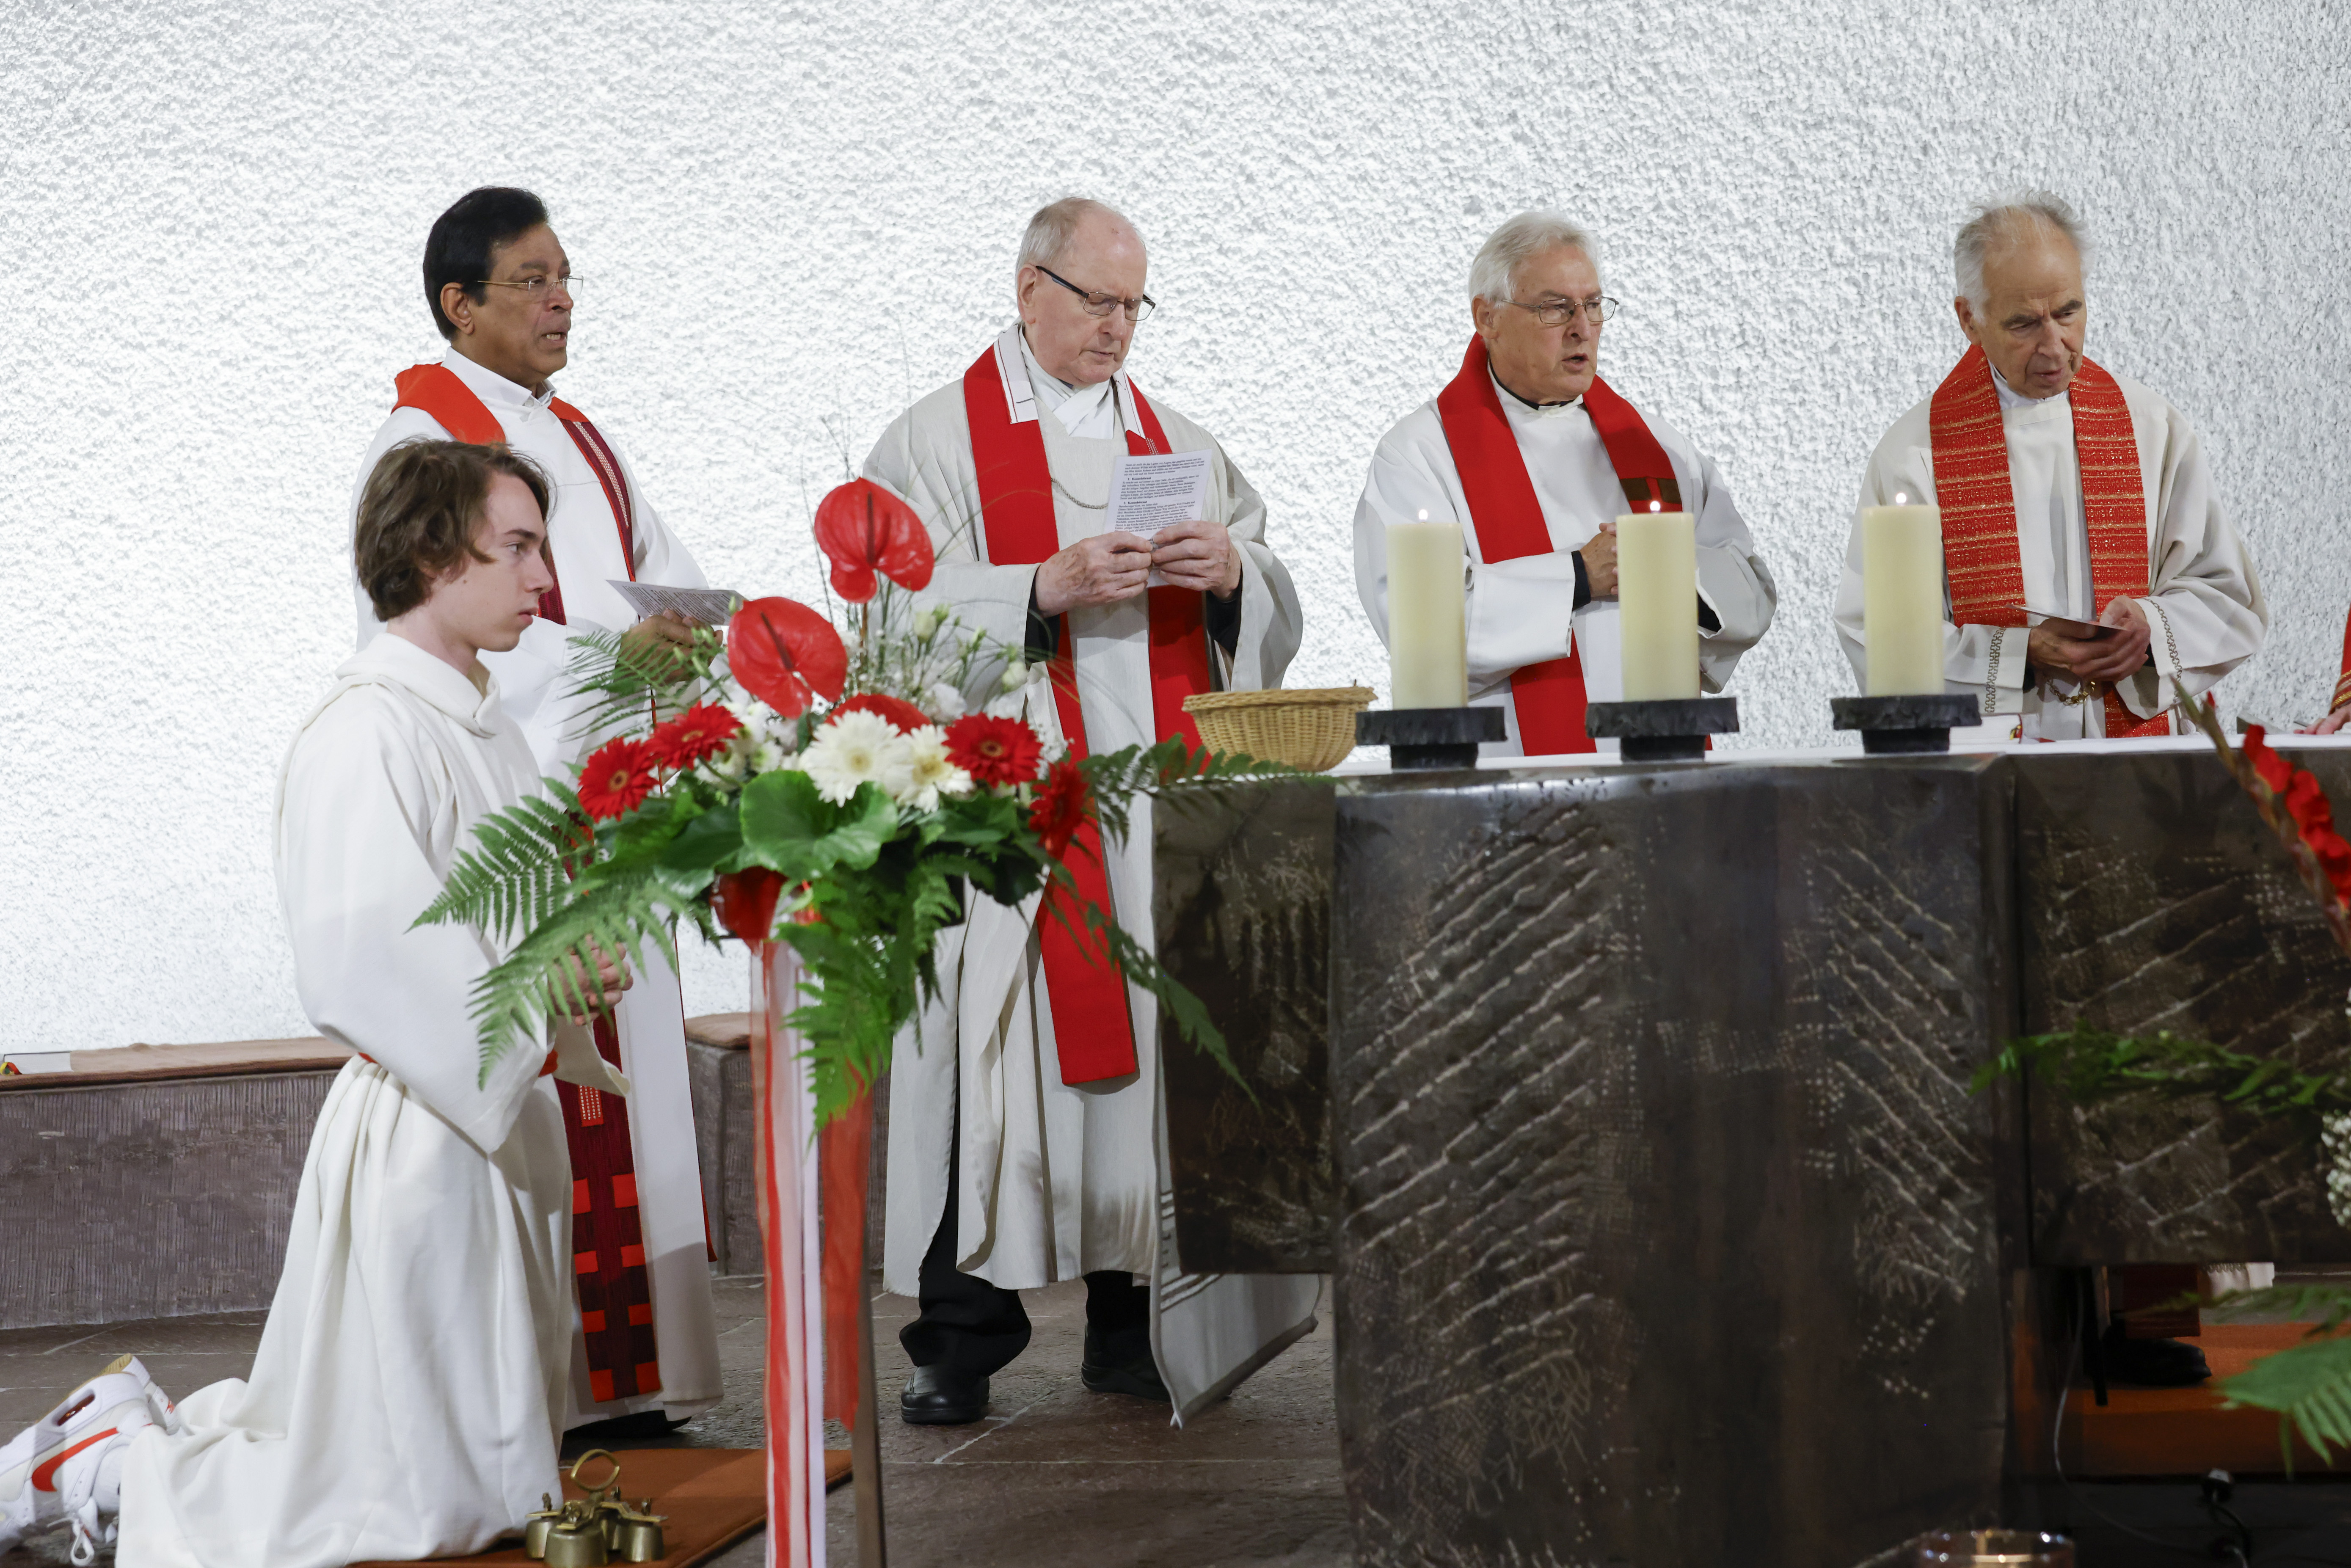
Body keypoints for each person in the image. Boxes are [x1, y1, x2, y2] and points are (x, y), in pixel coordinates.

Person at [93, 440, 630, 1565]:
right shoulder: (365, 729)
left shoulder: (483, 720)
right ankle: (104, 1465)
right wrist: (538, 993)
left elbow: (500, 912)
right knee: (402, 1497)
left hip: (491, 1115)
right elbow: (357, 956)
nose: (545, 579)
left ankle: (118, 1445)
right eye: (519, 547)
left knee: (483, 1484)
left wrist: (574, 955)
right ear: (433, 553)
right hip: (424, 1124)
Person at [862, 196, 1313, 1425]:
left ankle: (1130, 1327)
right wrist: (1033, 589)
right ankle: (959, 1337)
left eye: (1133, 305)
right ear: (1029, 290)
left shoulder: (1183, 445)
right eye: (1096, 300)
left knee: (1149, 1072)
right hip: (1016, 807)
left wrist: (1233, 576)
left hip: (1156, 800)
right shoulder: (933, 444)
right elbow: (882, 621)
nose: (1118, 327)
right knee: (992, 1059)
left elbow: (1270, 588)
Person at [351, 186, 720, 1432]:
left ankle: (636, 1382)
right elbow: (427, 627)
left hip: (615, 804)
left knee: (633, 1090)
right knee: (565, 1091)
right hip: (519, 818)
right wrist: (619, 658)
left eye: (567, 278)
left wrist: (690, 636)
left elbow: (651, 582)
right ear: (458, 303)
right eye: (532, 280)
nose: (561, 301)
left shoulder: (586, 441)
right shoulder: (426, 442)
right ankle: (558, 1392)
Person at [1836, 191, 2266, 739]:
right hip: (1990, 764)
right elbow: (1879, 635)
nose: (2054, 345)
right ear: (1970, 319)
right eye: (2024, 324)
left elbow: (2226, 595)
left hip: (2135, 763)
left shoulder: (2151, 428)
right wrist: (2017, 655)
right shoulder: (1915, 454)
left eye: (2068, 313)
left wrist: (2152, 628)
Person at [1352, 209, 1776, 757]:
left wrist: (1674, 572)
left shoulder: (1657, 447)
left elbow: (1751, 589)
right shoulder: (1420, 454)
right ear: (1487, 318)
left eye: (1593, 305)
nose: (1582, 328)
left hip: (1661, 768)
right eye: (1555, 308)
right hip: (1507, 775)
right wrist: (1579, 575)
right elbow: (1420, 630)